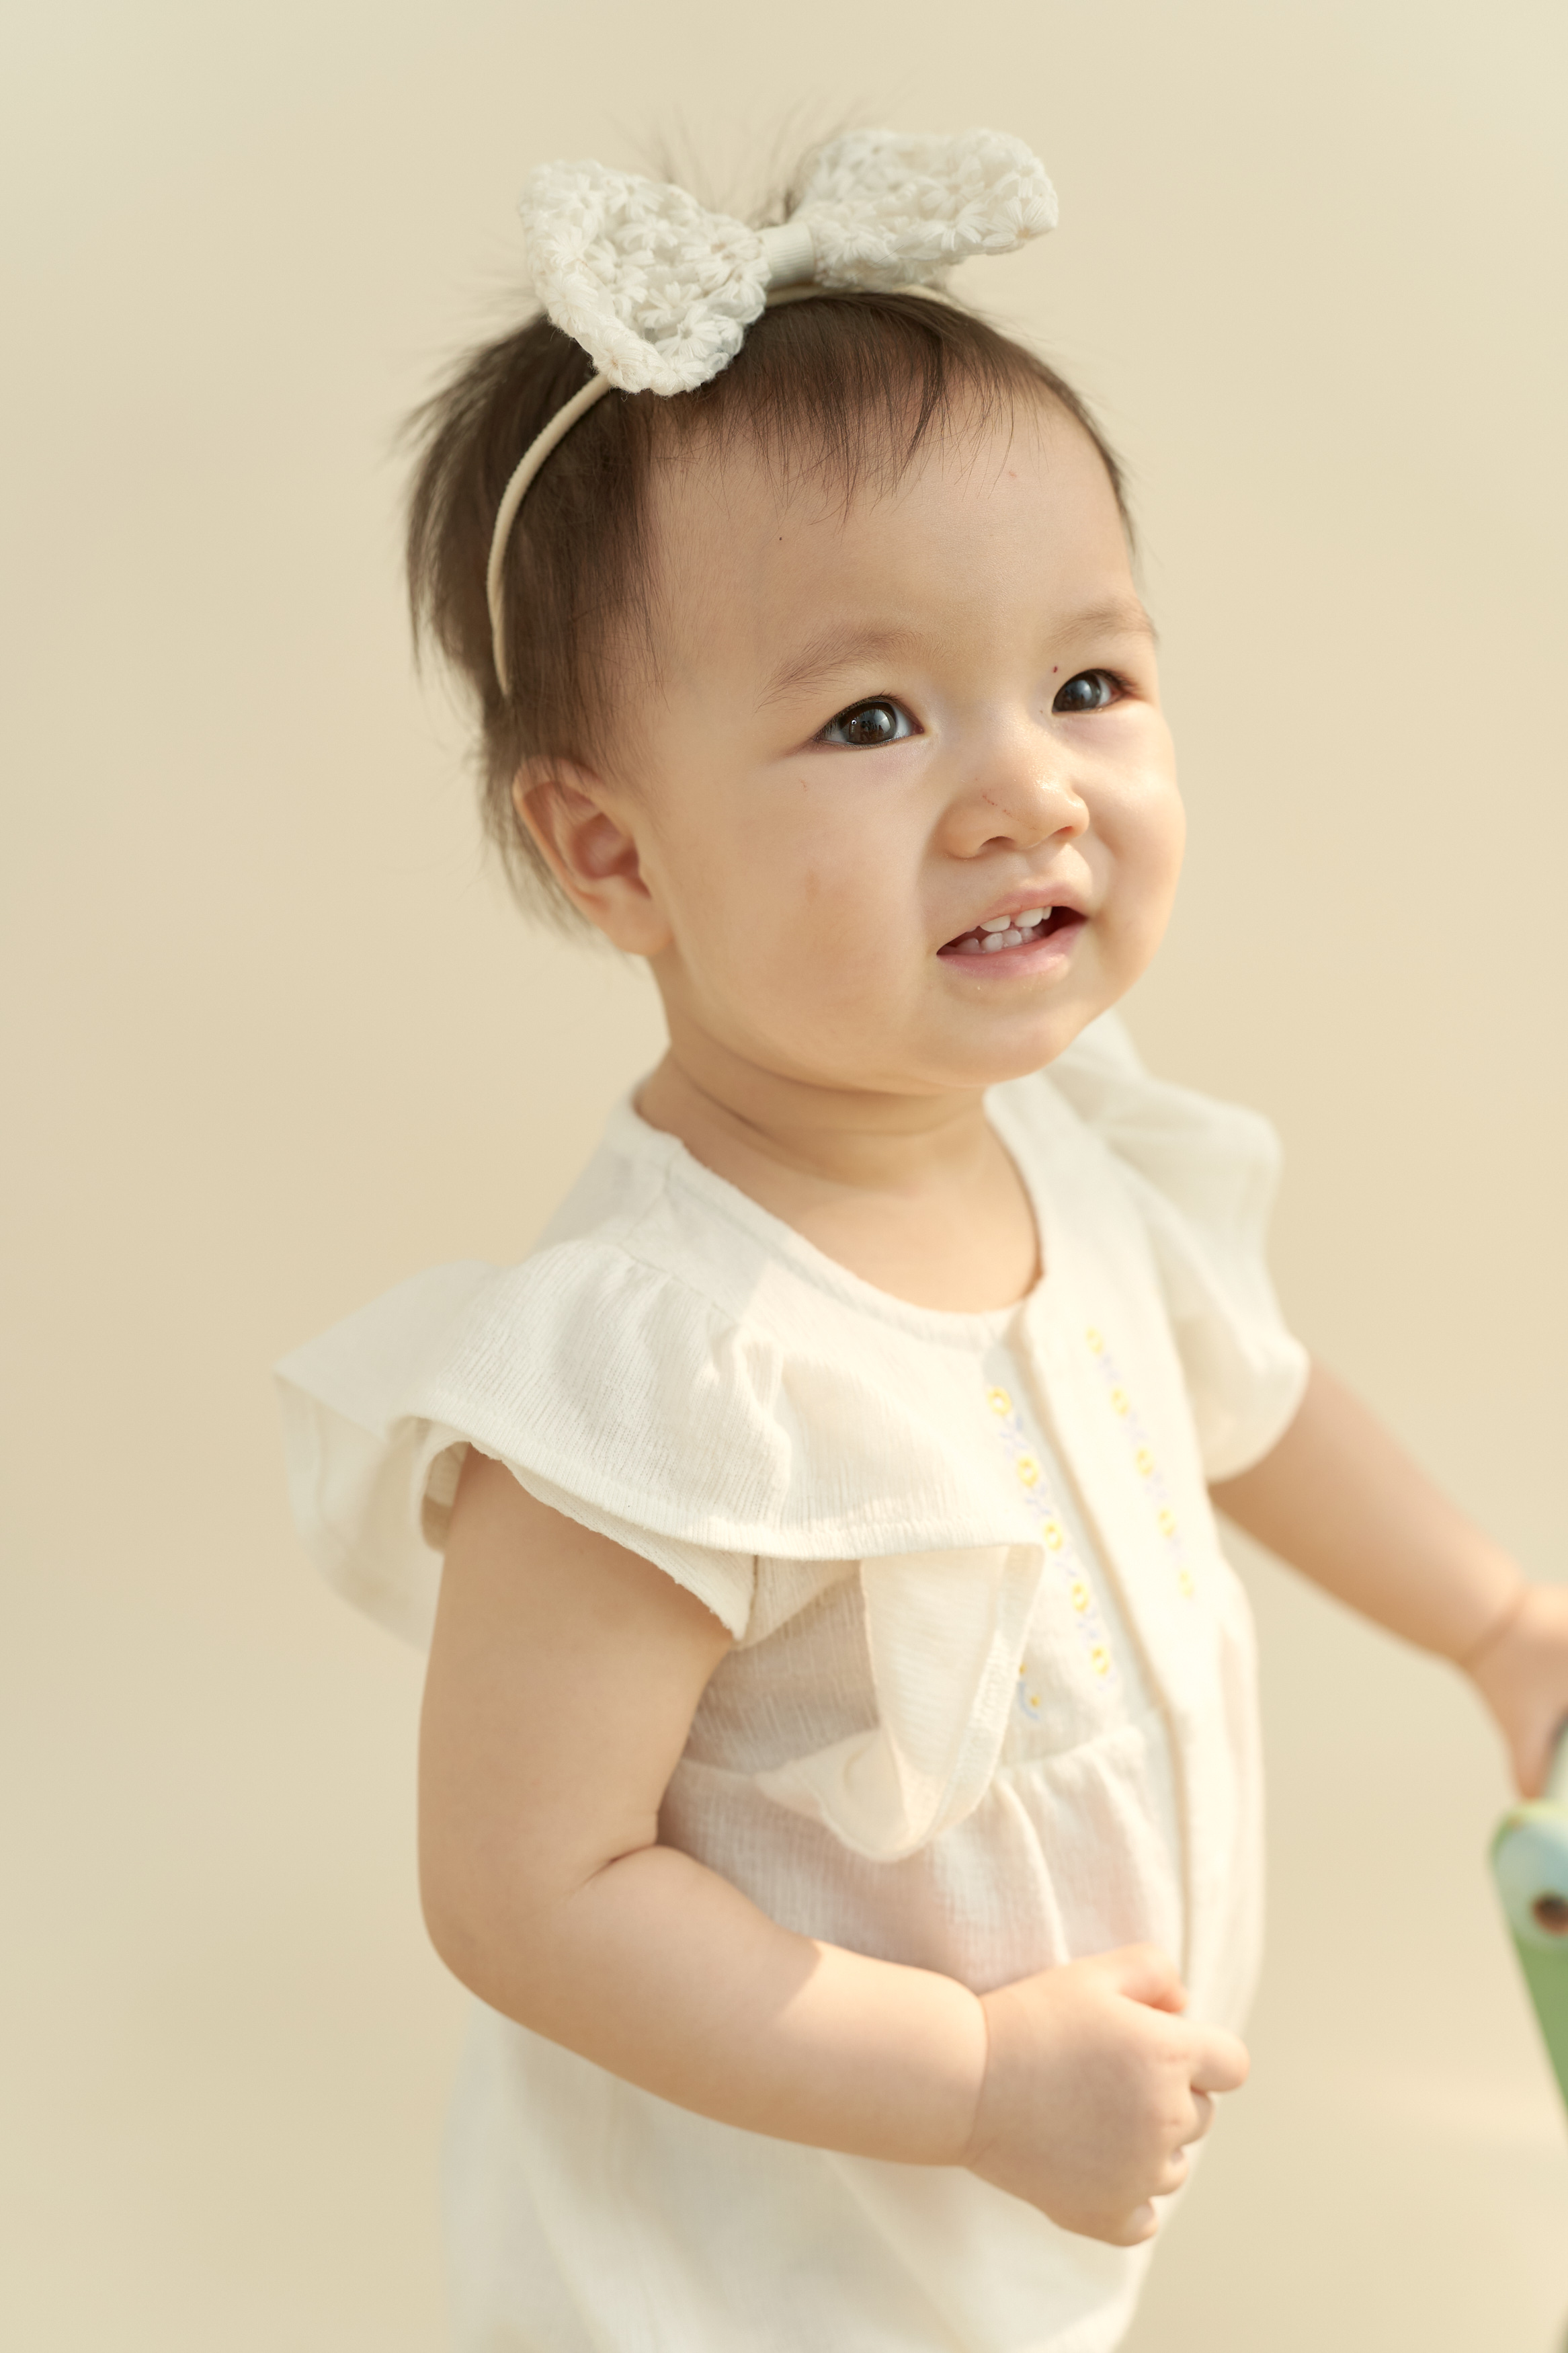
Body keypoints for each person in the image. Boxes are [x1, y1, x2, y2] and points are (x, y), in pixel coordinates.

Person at [275, 128, 1568, 2352]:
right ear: (612, 851)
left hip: (1010, 2216)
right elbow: (525, 1887)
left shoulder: (1073, 1145)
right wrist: (972, 2076)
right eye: (874, 718)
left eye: (1089, 684)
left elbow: (1248, 1398)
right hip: (741, 2267)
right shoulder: (656, 1362)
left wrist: (1500, 1621)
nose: (1026, 789)